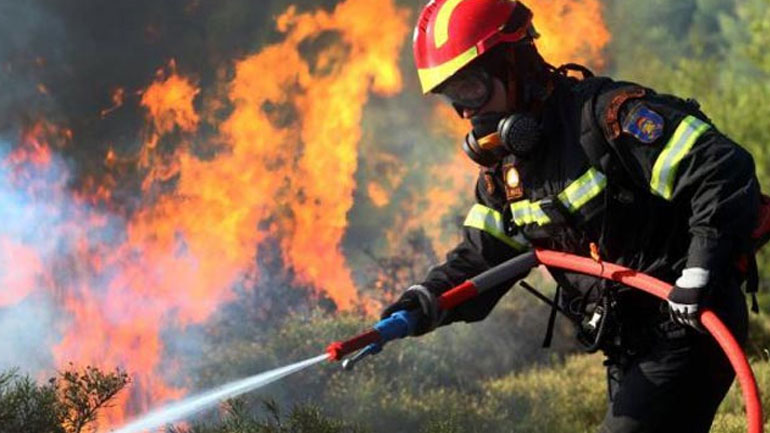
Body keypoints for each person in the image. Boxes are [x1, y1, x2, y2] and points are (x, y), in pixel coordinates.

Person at [382, 1, 764, 432]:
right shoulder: (508, 172)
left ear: (515, 63)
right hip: (626, 342)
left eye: (471, 89)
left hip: (687, 324)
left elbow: (720, 167)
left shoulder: (607, 117)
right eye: (453, 98)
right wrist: (424, 301)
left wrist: (699, 274)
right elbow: (484, 255)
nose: (467, 113)